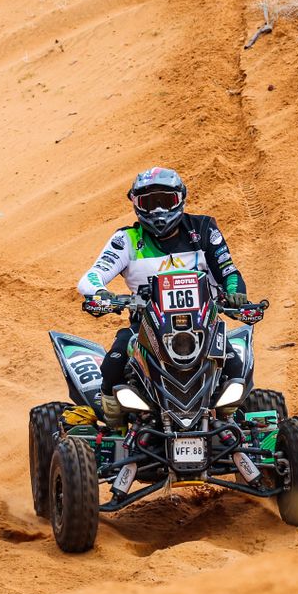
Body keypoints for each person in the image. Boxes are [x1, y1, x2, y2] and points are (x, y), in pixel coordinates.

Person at [76, 167, 259, 422]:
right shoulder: (126, 239)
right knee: (113, 365)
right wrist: (101, 293)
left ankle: (232, 423)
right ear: (136, 204)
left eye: (166, 200)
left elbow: (228, 271)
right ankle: (113, 428)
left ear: (180, 199)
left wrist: (235, 294)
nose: (159, 210)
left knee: (237, 368)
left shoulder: (203, 229)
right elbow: (91, 276)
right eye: (149, 203)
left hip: (204, 325)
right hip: (145, 327)